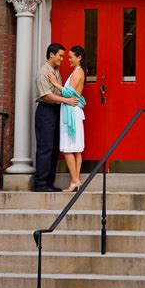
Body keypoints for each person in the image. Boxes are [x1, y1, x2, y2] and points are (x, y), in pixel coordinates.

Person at [33, 42, 79, 192]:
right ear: (51, 55)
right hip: (46, 110)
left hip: (55, 111)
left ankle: (49, 183)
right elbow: (46, 95)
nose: (62, 59)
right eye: (60, 56)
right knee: (45, 147)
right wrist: (66, 100)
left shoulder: (56, 70)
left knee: (53, 148)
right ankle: (40, 183)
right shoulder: (43, 72)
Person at [48, 45, 87, 192]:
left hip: (71, 111)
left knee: (69, 148)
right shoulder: (78, 72)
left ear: (79, 58)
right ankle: (76, 180)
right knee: (76, 148)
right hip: (74, 111)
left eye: (71, 57)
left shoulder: (78, 72)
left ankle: (75, 180)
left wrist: (54, 82)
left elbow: (68, 92)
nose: (68, 60)